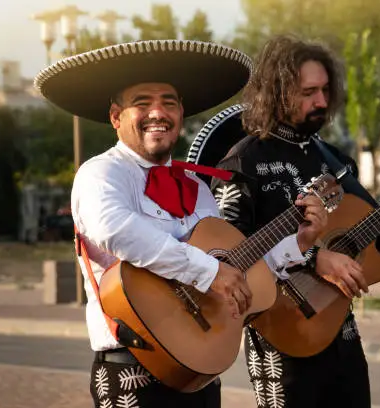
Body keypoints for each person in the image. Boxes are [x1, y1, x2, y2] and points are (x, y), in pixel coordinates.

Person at [33, 39, 330, 408]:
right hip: (132, 368)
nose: (158, 112)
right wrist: (206, 271)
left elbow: (235, 268)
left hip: (201, 372)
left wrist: (297, 244)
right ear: (115, 117)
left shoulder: (198, 189)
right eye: (142, 103)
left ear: (180, 114)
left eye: (169, 103)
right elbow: (115, 230)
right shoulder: (102, 173)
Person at [207, 35, 380, 407]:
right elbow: (226, 257)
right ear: (276, 92)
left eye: (325, 90)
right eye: (309, 92)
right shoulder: (243, 163)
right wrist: (314, 259)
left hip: (343, 337)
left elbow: (377, 243)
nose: (322, 102)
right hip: (280, 339)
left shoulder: (337, 160)